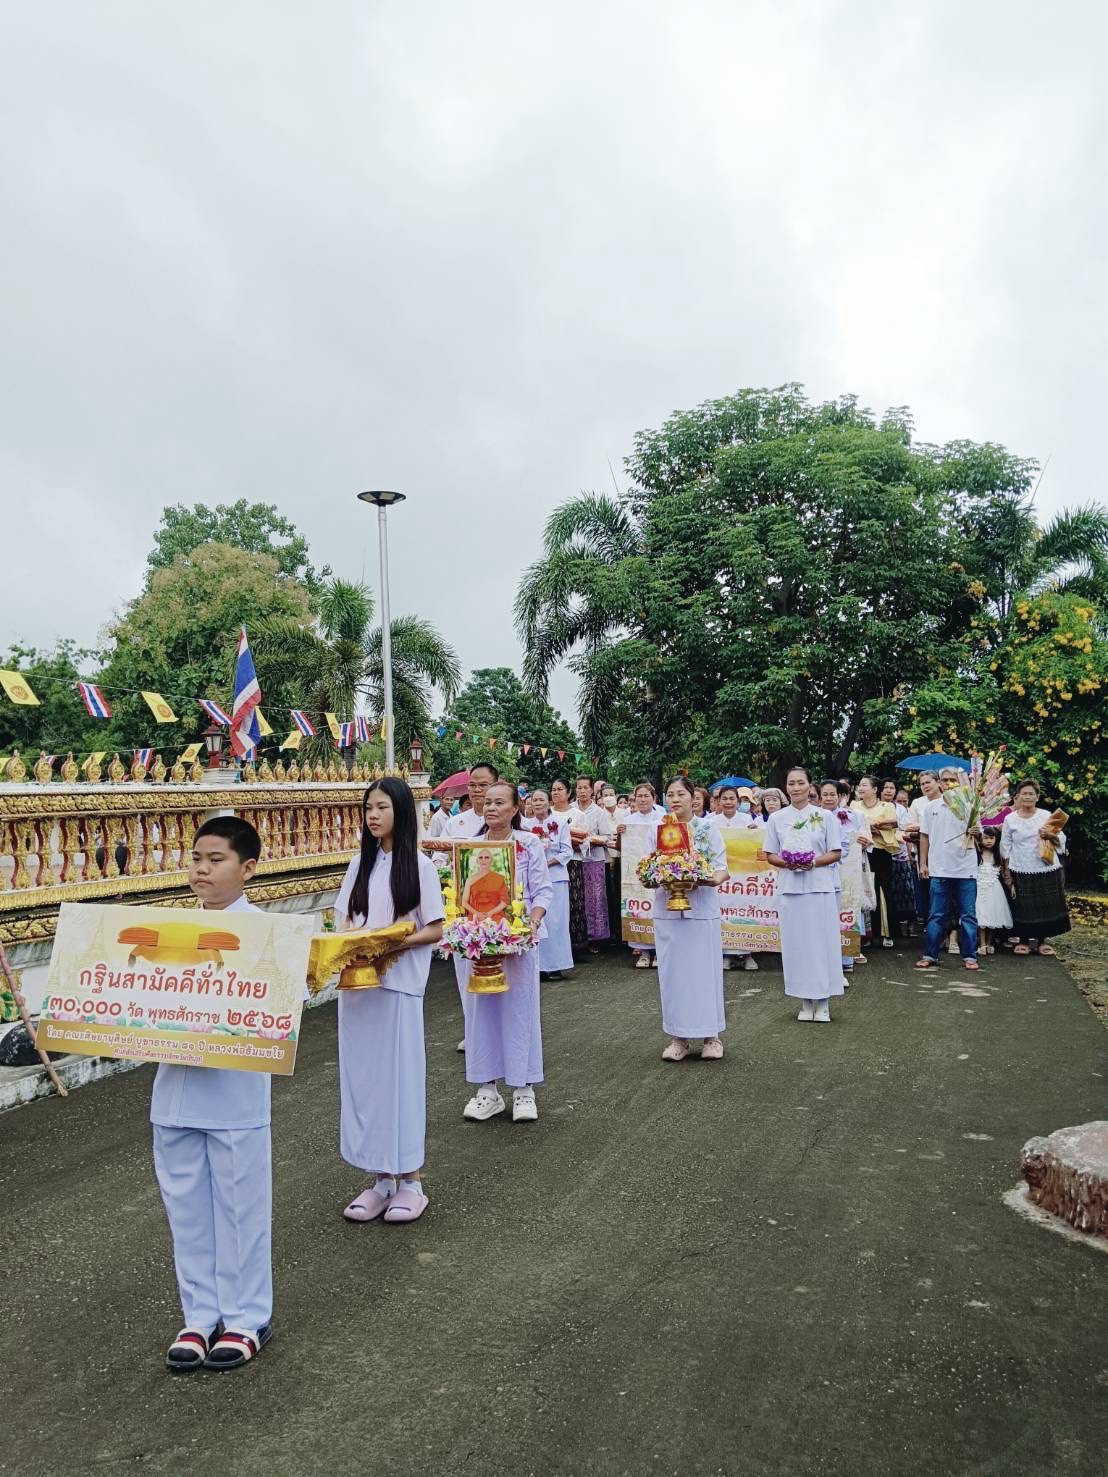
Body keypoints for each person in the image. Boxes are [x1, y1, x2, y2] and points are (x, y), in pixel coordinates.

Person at [152, 816, 275, 1372]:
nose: (202, 869)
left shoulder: (267, 936)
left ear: (247, 868)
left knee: (239, 1208)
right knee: (187, 1212)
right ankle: (199, 1316)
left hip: (234, 1093)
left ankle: (246, 1318)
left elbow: (280, 1011)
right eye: (196, 858)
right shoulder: (169, 932)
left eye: (216, 859)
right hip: (174, 1091)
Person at [334, 778, 445, 1226]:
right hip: (358, 988)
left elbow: (435, 928)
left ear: (401, 810)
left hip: (398, 986)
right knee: (364, 1083)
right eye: (368, 808)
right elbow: (344, 922)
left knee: (399, 1081)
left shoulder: (420, 866)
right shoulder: (358, 865)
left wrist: (391, 943)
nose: (373, 816)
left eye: (381, 807)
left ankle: (411, 1181)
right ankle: (380, 1179)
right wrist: (354, 944)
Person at [462, 781, 553, 1123]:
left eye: (499, 802)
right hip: (478, 939)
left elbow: (542, 891)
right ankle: (486, 1089)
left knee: (520, 1010)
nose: (491, 808)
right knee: (480, 1012)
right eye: (487, 802)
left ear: (515, 809)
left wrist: (532, 921)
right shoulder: (470, 847)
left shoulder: (528, 843)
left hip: (518, 939)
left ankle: (523, 1088)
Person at [650, 776, 729, 1061]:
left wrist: (704, 879)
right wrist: (659, 876)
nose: (675, 799)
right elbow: (649, 868)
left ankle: (712, 1037)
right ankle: (678, 1038)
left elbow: (721, 868)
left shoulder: (707, 828)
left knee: (705, 973)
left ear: (693, 797)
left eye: (680, 794)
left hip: (702, 910)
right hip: (667, 912)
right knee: (673, 975)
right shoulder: (658, 830)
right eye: (670, 794)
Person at [764, 769, 843, 1022]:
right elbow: (770, 854)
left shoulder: (825, 816)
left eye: (801, 783)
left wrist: (812, 862)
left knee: (821, 943)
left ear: (810, 786)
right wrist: (789, 862)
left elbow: (836, 852)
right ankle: (805, 1001)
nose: (796, 787)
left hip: (819, 887)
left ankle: (824, 1001)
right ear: (786, 787)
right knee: (797, 945)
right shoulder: (777, 818)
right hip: (790, 888)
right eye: (791, 783)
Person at [916, 766, 980, 971]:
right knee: (936, 914)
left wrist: (976, 832)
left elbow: (979, 833)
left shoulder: (970, 806)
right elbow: (924, 836)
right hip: (939, 869)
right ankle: (930, 955)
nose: (949, 783)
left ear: (960, 783)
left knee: (968, 915)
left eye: (953, 780)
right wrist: (923, 863)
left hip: (966, 868)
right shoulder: (931, 808)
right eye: (945, 780)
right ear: (939, 783)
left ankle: (970, 956)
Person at [1000, 780, 1070, 955]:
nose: (1027, 797)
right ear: (1017, 796)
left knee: (1045, 904)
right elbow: (1005, 845)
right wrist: (1006, 870)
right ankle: (1023, 940)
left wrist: (1050, 835)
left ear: (1037, 797)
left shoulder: (1045, 815)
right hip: (1020, 867)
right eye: (1024, 793)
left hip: (1045, 867)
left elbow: (1061, 839)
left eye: (1031, 794)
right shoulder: (1010, 819)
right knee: (1023, 905)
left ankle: (1041, 941)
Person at [819, 779, 864, 983]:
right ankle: (822, 969)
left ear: (840, 796)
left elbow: (848, 845)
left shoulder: (852, 816)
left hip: (845, 873)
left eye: (832, 794)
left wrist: (834, 860)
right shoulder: (813, 816)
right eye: (825, 794)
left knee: (842, 918)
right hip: (818, 875)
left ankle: (843, 964)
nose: (829, 798)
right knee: (821, 925)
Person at [617, 781, 664, 969]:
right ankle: (643, 952)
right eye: (639, 796)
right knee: (638, 906)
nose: (642, 799)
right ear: (634, 799)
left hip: (659, 870)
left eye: (646, 796)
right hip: (635, 872)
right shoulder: (628, 820)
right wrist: (620, 834)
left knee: (657, 908)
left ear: (654, 798)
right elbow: (620, 848)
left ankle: (659, 951)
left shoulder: (663, 818)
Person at [528, 788, 573, 979]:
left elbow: (567, 851)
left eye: (541, 800)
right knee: (537, 921)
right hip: (533, 879)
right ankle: (538, 966)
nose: (538, 803)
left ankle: (557, 965)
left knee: (556, 922)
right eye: (534, 800)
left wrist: (547, 863)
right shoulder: (525, 824)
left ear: (549, 802)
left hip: (556, 876)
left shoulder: (560, 823)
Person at [852, 776, 902, 949]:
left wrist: (870, 826)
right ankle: (865, 933)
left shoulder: (887, 806)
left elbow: (892, 824)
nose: (860, 788)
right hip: (861, 852)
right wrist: (875, 826)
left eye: (864, 785)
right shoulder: (854, 805)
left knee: (882, 890)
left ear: (874, 789)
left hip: (880, 852)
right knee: (862, 890)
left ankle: (887, 932)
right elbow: (853, 827)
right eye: (860, 785)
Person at [714, 785, 760, 971]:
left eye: (732, 798)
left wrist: (755, 831)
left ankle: (748, 954)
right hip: (721, 875)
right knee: (724, 912)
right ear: (719, 801)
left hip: (743, 876)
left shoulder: (747, 820)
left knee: (743, 911)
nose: (728, 802)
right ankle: (727, 955)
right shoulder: (711, 821)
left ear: (738, 802)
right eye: (724, 798)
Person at [568, 776, 612, 952]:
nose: (582, 791)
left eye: (585, 788)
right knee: (577, 897)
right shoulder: (570, 809)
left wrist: (592, 839)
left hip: (594, 859)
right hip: (574, 859)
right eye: (579, 788)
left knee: (595, 898)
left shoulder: (599, 812)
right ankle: (577, 936)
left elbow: (607, 837)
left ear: (592, 790)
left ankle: (596, 937)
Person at [551, 777, 588, 956]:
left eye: (559, 789)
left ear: (568, 793)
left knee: (574, 902)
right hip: (551, 863)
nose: (556, 792)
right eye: (553, 789)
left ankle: (576, 946)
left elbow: (586, 840)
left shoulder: (578, 815)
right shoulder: (547, 813)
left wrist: (570, 842)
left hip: (572, 861)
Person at [880, 778, 917, 937]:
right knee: (889, 891)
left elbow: (906, 829)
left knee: (906, 890)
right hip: (882, 852)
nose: (889, 790)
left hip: (900, 853)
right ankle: (889, 927)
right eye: (886, 787)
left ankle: (910, 925)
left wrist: (910, 854)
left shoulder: (901, 809)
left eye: (892, 787)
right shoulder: (876, 806)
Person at [975, 826, 1012, 955]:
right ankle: (982, 944)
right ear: (980, 840)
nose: (989, 841)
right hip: (979, 888)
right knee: (981, 916)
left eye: (992, 838)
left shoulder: (998, 856)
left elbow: (1005, 872)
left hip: (994, 889)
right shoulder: (977, 854)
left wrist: (1010, 885)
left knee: (993, 916)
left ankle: (989, 943)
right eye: (985, 838)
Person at [461, 848, 511, 920]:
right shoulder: (469, 880)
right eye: (480, 857)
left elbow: (504, 902)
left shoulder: (499, 879)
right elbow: (464, 902)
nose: (483, 860)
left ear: (491, 861)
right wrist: (477, 914)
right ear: (477, 861)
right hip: (474, 917)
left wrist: (490, 913)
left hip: (495, 915)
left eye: (487, 857)